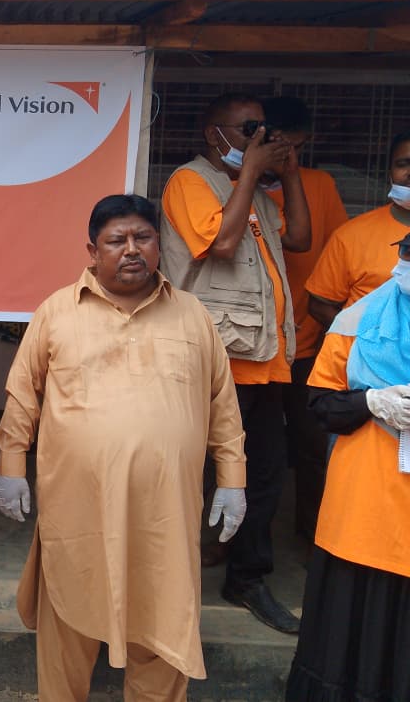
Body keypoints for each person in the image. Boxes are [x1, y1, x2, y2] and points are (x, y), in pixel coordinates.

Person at [0, 194, 247, 701]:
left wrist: (232, 480)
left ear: (158, 244)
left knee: (164, 624)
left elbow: (223, 404)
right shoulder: (57, 312)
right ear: (93, 250)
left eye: (142, 238)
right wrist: (10, 467)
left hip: (165, 513)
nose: (132, 249)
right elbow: (23, 395)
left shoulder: (192, 315)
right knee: (68, 621)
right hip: (78, 509)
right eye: (117, 240)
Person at [159, 92, 310, 634]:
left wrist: (288, 173)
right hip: (215, 360)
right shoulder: (190, 181)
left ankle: (246, 577)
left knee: (265, 472)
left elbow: (300, 238)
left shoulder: (258, 192)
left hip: (263, 359)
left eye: (264, 129)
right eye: (249, 129)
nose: (259, 138)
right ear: (213, 133)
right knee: (201, 473)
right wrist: (250, 170)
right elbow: (222, 244)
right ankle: (172, 576)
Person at [285, 232, 410, 701]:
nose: (406, 263)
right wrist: (371, 401)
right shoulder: (356, 321)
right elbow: (321, 403)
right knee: (350, 631)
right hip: (364, 508)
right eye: (406, 252)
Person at [262, 96, 348, 541]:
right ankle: (229, 542)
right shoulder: (235, 186)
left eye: (296, 147)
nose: (288, 155)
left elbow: (337, 255)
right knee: (243, 448)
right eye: (281, 145)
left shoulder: (320, 184)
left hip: (308, 341)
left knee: (312, 446)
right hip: (253, 345)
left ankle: (313, 537)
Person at [305, 130, 410, 329]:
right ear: (389, 173)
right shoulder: (351, 235)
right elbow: (320, 306)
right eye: (403, 164)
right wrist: (365, 339)